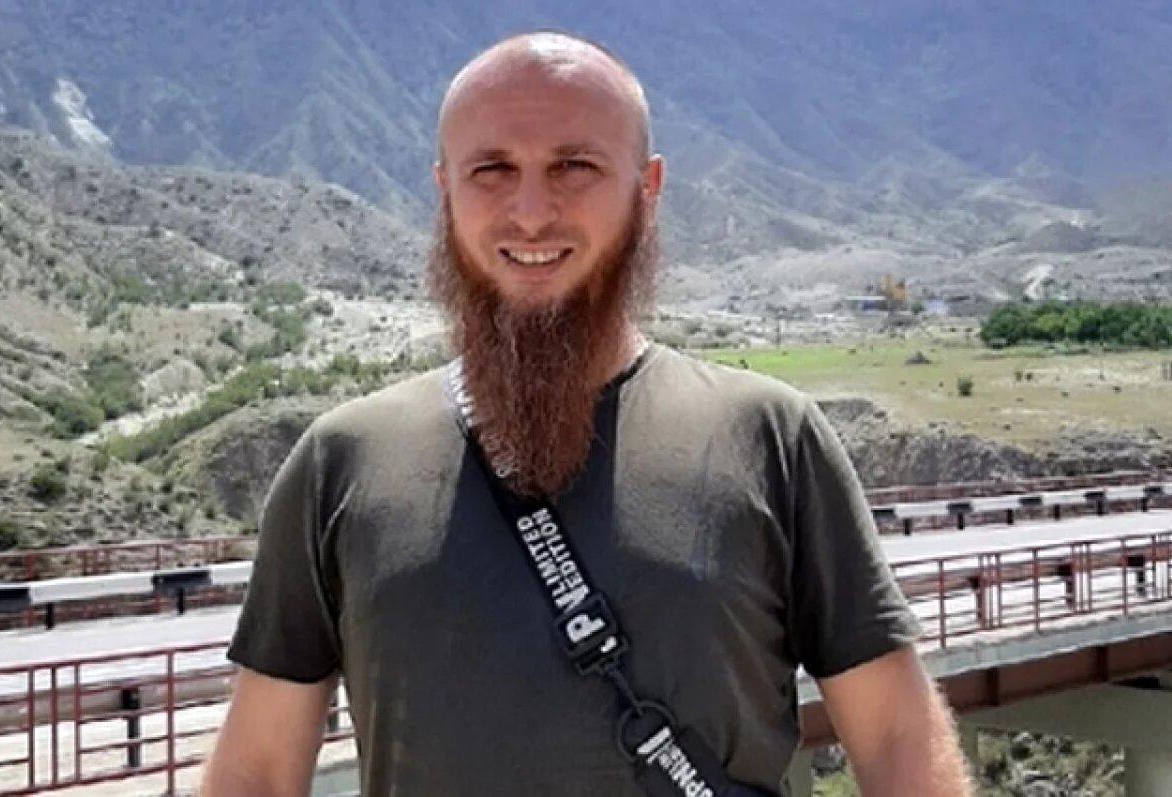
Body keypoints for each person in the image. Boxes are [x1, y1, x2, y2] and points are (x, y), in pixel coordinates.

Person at [201, 31, 972, 797]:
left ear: (647, 186)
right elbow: (256, 770)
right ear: (445, 191)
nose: (532, 213)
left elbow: (897, 737)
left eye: (575, 166)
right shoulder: (340, 460)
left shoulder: (772, 437)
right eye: (492, 170)